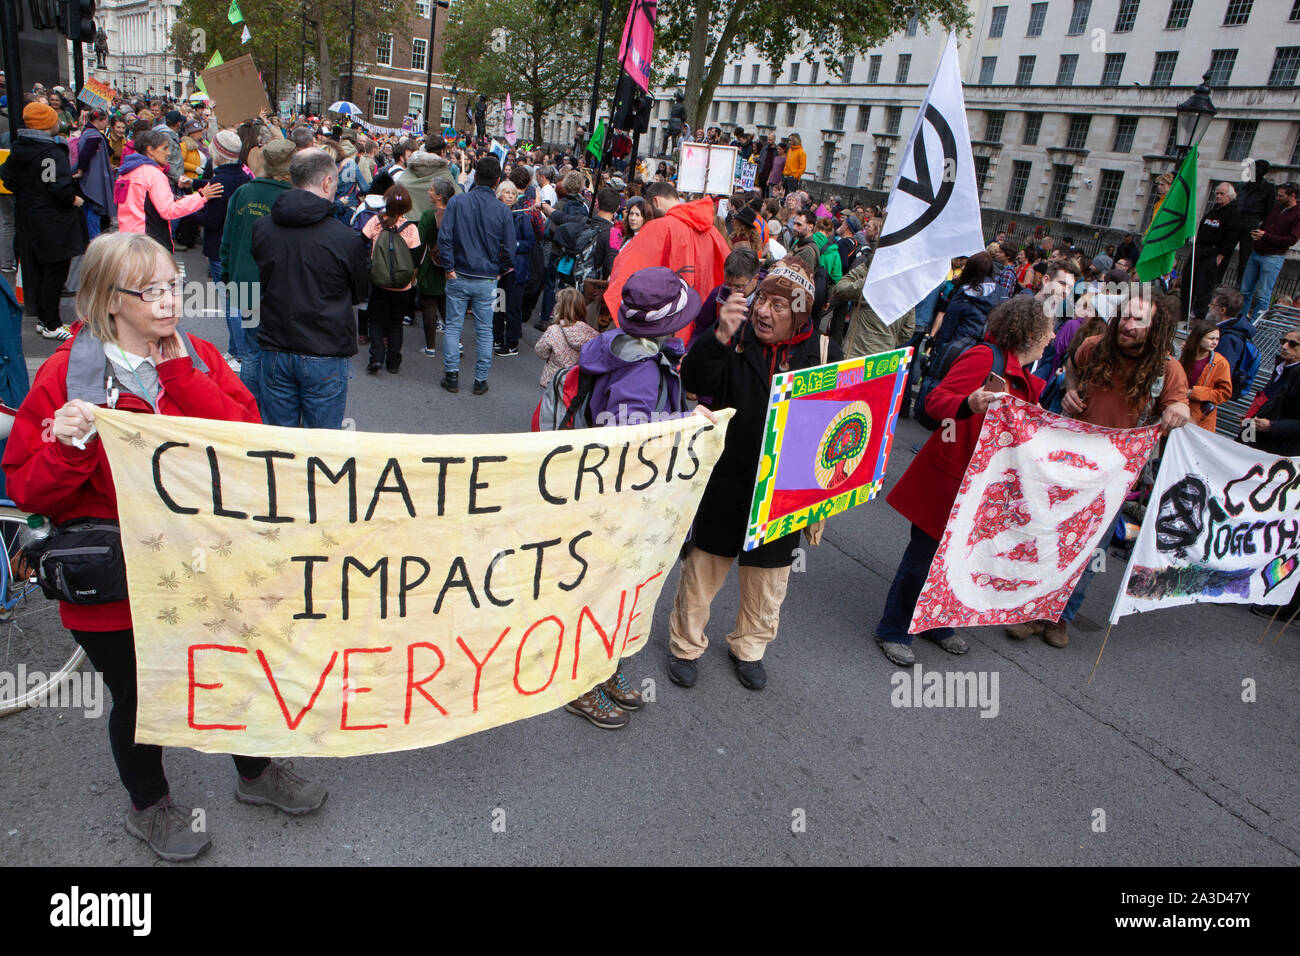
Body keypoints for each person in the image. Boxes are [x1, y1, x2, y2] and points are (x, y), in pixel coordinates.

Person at [1, 232, 328, 863]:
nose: (169, 300)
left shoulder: (197, 355)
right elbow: (30, 489)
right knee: (141, 694)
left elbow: (246, 446)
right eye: (149, 291)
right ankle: (148, 805)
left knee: (233, 666)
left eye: (174, 285)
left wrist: (179, 373)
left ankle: (256, 775)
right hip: (118, 576)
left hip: (210, 562)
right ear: (106, 300)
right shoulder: (66, 377)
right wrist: (70, 444)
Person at [669, 259, 841, 690]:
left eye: (779, 305)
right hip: (727, 479)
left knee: (768, 580)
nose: (764, 311)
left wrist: (826, 492)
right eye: (763, 298)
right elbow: (693, 379)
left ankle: (749, 648)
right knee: (703, 569)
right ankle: (686, 645)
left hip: (784, 491)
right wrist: (719, 337)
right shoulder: (734, 336)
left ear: (800, 313)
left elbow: (840, 424)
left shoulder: (819, 354)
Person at [875, 296, 1054, 666]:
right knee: (923, 559)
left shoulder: (1025, 371)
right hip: (952, 477)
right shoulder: (986, 358)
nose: (1053, 337)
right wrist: (967, 404)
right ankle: (894, 629)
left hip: (982, 485)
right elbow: (935, 401)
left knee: (958, 561)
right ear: (1032, 331)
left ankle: (934, 622)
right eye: (1049, 329)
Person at [564, 268, 707, 725]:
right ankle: (582, 684)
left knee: (617, 590)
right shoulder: (641, 371)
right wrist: (686, 425)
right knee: (608, 590)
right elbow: (630, 445)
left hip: (607, 496)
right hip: (617, 502)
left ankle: (607, 669)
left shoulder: (627, 349)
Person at [1009, 291, 1191, 647]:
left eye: (1139, 319)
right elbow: (1072, 367)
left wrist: (1179, 413)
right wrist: (1071, 391)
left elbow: (1181, 405)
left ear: (1156, 328)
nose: (1128, 324)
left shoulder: (1166, 367)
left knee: (1092, 549)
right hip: (1071, 461)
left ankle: (1060, 617)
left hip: (1115, 476)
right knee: (1050, 537)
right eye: (1125, 315)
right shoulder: (1095, 345)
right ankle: (1032, 611)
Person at [251, 148, 370, 427]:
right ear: (327, 183)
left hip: (277, 345)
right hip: (324, 349)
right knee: (321, 447)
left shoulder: (262, 228)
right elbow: (360, 293)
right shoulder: (345, 239)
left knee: (282, 447)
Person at [0, 102, 89, 341]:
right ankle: (51, 323)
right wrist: (72, 199)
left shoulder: (20, 148)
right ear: (48, 124)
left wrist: (28, 191)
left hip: (29, 217)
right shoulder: (50, 152)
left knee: (38, 270)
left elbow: (7, 177)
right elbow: (56, 187)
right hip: (53, 220)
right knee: (55, 272)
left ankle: (44, 319)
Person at [601, 180, 730, 344]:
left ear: (656, 201)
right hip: (704, 334)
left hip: (663, 332)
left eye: (648, 212)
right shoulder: (713, 232)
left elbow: (625, 274)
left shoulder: (658, 227)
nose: (650, 217)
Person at [219, 138, 296, 404]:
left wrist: (228, 277)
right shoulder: (291, 198)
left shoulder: (243, 192)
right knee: (278, 351)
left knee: (251, 350)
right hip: (278, 289)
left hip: (245, 284)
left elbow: (227, 240)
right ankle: (273, 404)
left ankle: (251, 404)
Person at [437, 154, 516, 395]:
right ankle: (480, 379)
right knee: (484, 330)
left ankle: (452, 376)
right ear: (497, 181)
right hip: (486, 277)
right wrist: (500, 270)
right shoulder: (502, 210)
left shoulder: (457, 203)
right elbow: (511, 248)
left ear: (476, 176)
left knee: (453, 326)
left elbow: (445, 238)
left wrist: (449, 268)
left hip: (459, 273)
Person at [195, 130, 253, 372]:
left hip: (220, 248)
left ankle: (239, 354)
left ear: (217, 153)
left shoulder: (218, 182)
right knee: (239, 302)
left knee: (232, 305)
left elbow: (212, 220)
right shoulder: (244, 177)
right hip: (240, 248)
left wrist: (194, 205)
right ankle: (234, 350)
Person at [116, 130, 220, 252]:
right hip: (149, 243)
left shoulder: (126, 172)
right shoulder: (153, 174)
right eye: (165, 148)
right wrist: (201, 196)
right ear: (150, 150)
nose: (169, 153)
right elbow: (168, 210)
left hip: (127, 240)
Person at [362, 185, 422, 374]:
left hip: (378, 281)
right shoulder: (411, 229)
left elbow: (360, 241)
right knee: (395, 322)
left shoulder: (376, 221)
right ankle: (393, 361)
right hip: (402, 285)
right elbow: (415, 259)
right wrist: (411, 281)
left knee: (376, 320)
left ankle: (376, 357)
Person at [833, 251, 915, 359]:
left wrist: (864, 268)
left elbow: (839, 289)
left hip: (856, 355)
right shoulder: (907, 293)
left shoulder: (871, 285)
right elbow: (907, 331)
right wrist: (887, 341)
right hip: (884, 358)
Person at [1240, 182, 1300, 322]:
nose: (1278, 198)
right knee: (1245, 291)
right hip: (1257, 252)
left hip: (1273, 257)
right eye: (1278, 195)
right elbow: (1266, 225)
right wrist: (1259, 233)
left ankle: (1256, 323)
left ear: (1292, 196)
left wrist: (1265, 236)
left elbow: (1291, 240)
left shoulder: (1297, 214)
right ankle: (1240, 320)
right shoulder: (1277, 208)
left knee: (1263, 294)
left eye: (1281, 196)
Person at [492, 179, 536, 357]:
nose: (510, 196)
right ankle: (497, 338)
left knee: (512, 308)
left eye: (513, 193)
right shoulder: (494, 214)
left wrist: (513, 244)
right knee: (498, 305)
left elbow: (530, 243)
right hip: (498, 270)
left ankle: (511, 344)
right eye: (506, 192)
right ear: (499, 195)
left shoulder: (522, 217)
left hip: (516, 271)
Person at [1240, 327, 1300, 457]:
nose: (1284, 346)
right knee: (1237, 457)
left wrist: (1271, 426)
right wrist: (1247, 425)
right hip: (1254, 438)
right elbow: (1266, 402)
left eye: (1292, 344)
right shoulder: (1281, 369)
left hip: (1275, 452)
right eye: (1283, 341)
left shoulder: (1293, 374)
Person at [416, 178, 456, 358]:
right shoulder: (457, 214)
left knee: (429, 306)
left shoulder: (427, 216)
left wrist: (414, 269)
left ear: (439, 196)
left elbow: (419, 243)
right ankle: (457, 343)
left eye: (431, 190)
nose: (428, 192)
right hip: (451, 267)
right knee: (448, 307)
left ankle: (430, 347)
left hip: (430, 266)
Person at [1188, 183, 1240, 321]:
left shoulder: (1233, 213)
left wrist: (1221, 256)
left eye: (1222, 194)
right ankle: (1185, 309)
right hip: (1200, 250)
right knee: (1190, 281)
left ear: (1230, 196)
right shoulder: (1212, 211)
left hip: (1213, 253)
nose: (1218, 196)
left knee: (1204, 287)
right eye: (1217, 193)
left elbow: (1232, 238)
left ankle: (1199, 315)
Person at [534, 286, 598, 386]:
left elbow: (541, 352)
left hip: (553, 381)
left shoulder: (553, 330)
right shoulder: (592, 334)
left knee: (550, 401)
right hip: (576, 384)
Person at [1178, 319, 1232, 432]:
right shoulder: (1183, 355)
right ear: (1198, 337)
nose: (1215, 342)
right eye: (1211, 338)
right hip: (1176, 411)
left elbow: (1225, 393)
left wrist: (1193, 393)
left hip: (1199, 421)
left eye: (1217, 339)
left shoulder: (1220, 363)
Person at [75, 109, 115, 241]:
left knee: (88, 208)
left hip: (89, 178)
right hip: (94, 179)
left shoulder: (87, 133)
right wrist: (81, 170)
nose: (107, 125)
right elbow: (86, 154)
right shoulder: (94, 136)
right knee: (95, 209)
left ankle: (88, 238)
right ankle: (94, 239)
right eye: (106, 121)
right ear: (100, 120)